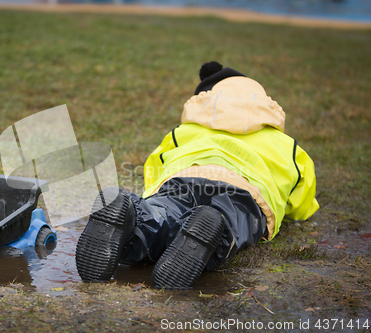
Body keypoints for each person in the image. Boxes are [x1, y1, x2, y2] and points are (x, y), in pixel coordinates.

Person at [75, 61, 319, 289]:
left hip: (184, 178)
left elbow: (155, 166)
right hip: (243, 190)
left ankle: (135, 215)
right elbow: (301, 198)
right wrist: (300, 209)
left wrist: (153, 195)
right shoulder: (288, 146)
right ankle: (213, 222)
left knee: (163, 213)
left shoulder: (186, 130)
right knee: (230, 219)